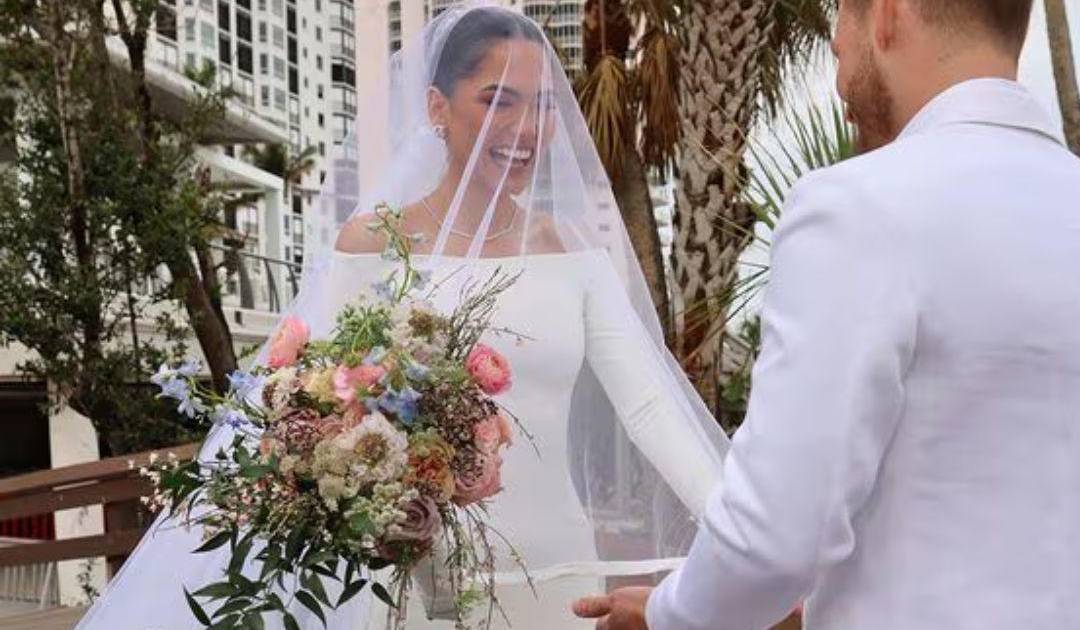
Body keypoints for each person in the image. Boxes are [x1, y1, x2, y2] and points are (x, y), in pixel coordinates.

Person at [78, 4, 731, 628]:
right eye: (498, 100)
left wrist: (740, 535)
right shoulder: (372, 245)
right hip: (412, 574)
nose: (527, 128)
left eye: (542, 105)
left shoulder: (574, 254)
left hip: (556, 570)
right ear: (437, 107)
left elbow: (650, 406)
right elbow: (308, 399)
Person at [573, 0, 1080, 628]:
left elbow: (774, 539)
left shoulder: (856, 208)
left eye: (841, 19)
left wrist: (667, 614)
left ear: (888, 14)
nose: (837, 51)